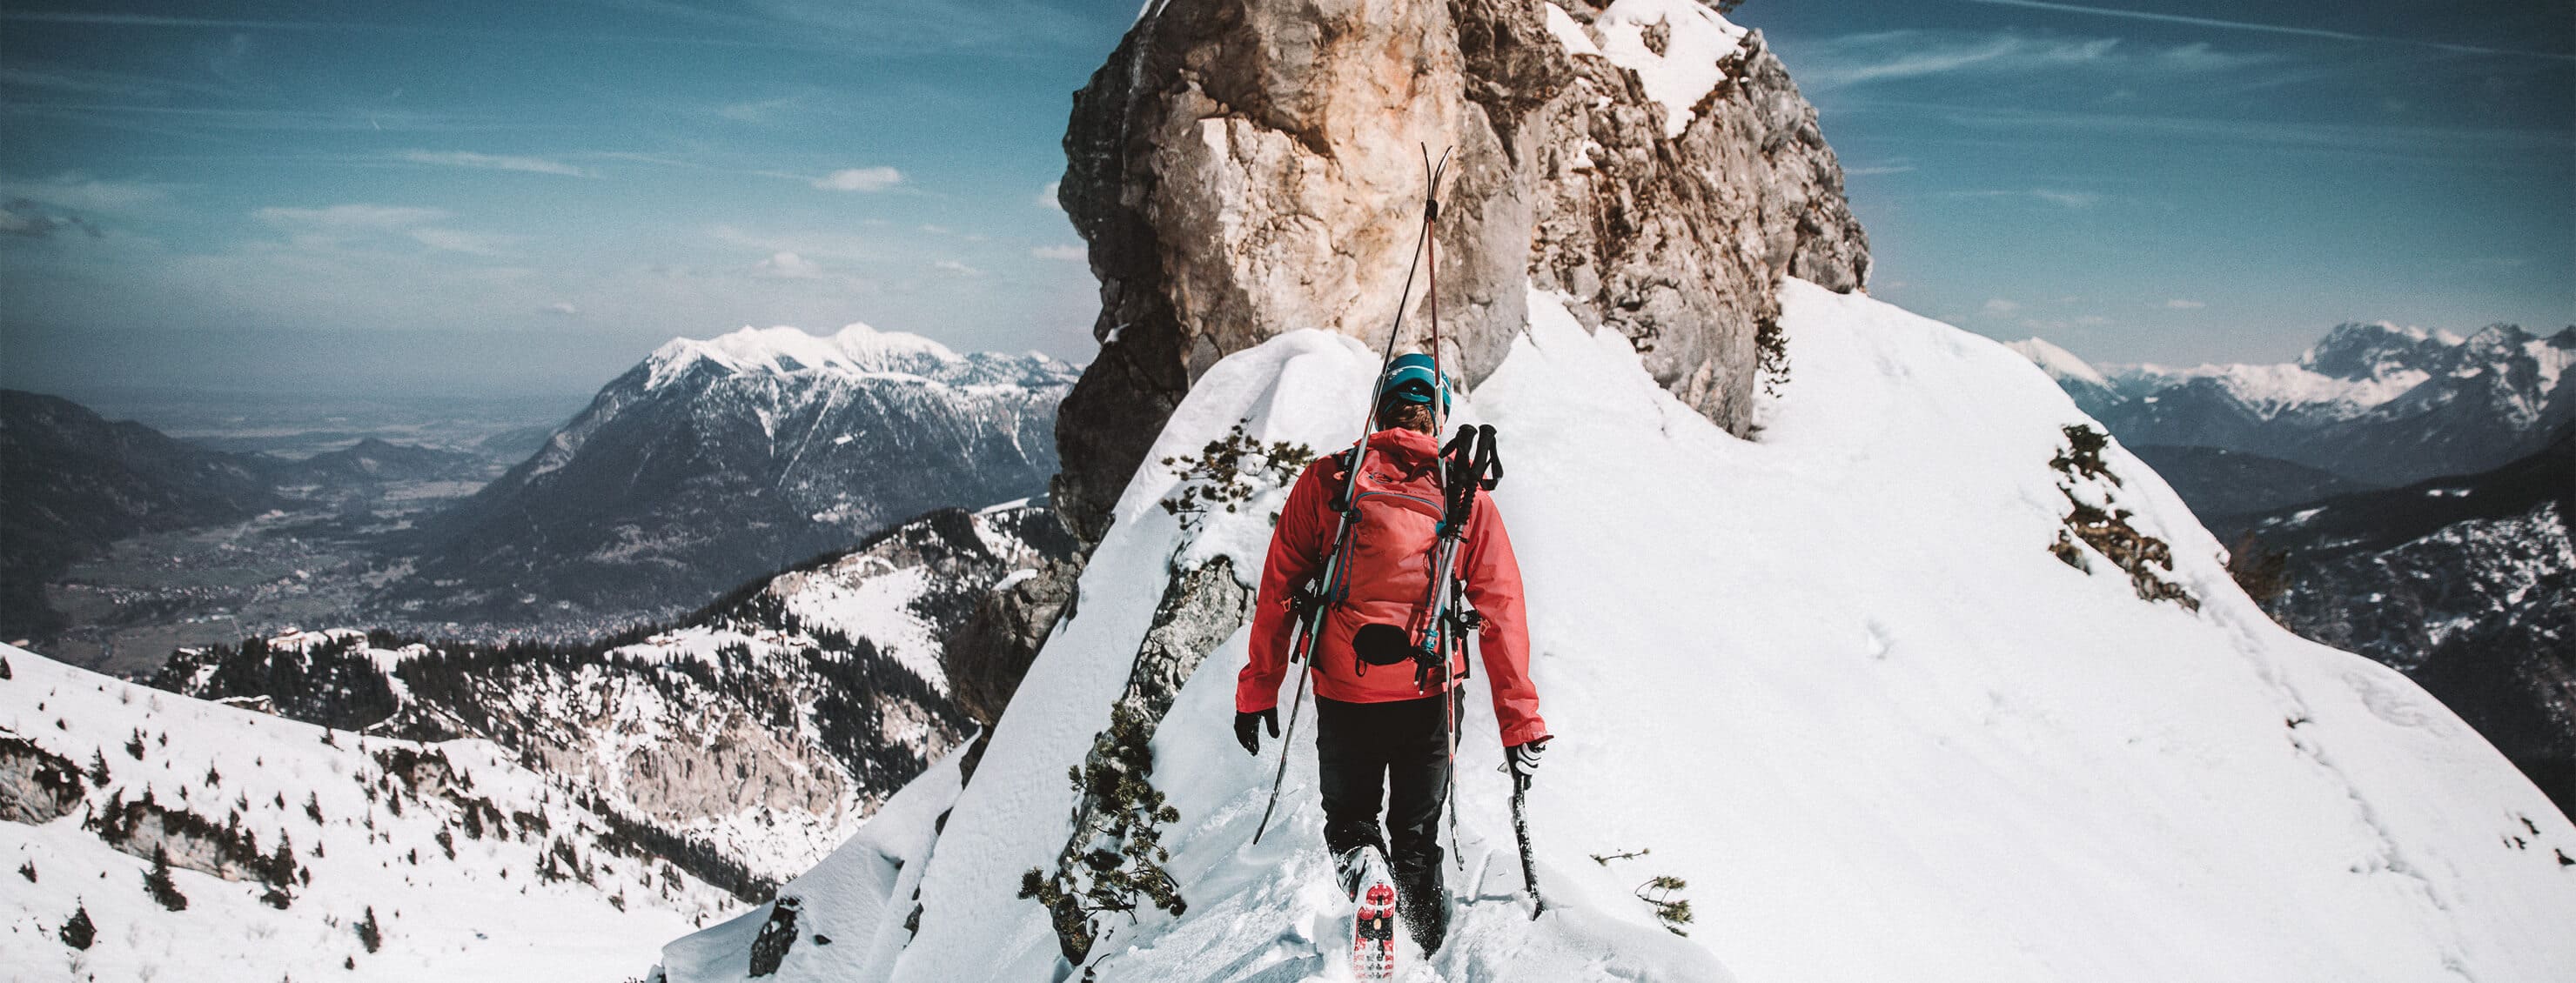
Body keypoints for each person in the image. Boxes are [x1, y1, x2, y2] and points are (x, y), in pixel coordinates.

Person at [1234, 352, 1551, 954]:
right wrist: (1520, 722)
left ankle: (1363, 869)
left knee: (1352, 820)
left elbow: (1278, 589)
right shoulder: (1463, 494)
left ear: (1381, 407)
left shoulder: (1331, 480)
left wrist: (1258, 690)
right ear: (1439, 415)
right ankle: (1422, 950)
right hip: (1429, 696)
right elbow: (1501, 612)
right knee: (1416, 835)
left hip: (1345, 690)